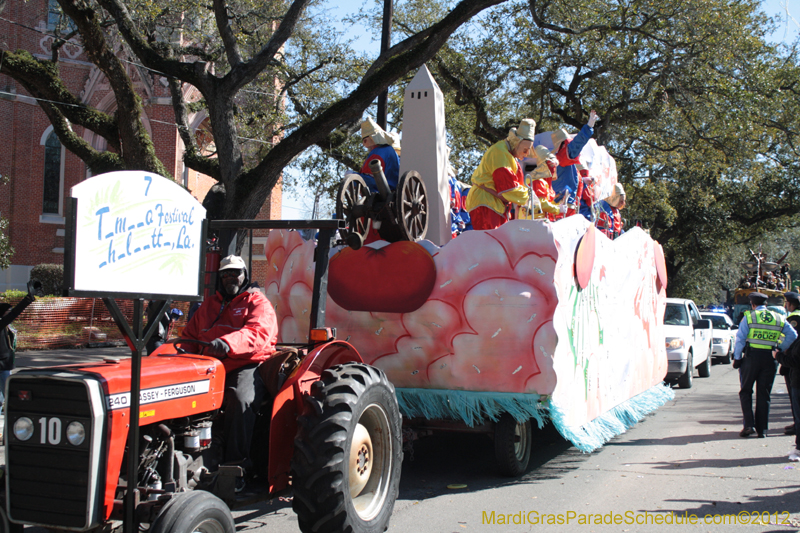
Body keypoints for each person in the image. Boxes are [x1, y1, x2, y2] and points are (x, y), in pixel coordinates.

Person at [181, 255, 279, 488]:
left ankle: (236, 467)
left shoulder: (257, 302)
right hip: (206, 365)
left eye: (235, 273)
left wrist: (227, 344)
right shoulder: (208, 305)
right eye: (225, 274)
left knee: (240, 398)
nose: (230, 277)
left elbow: (257, 334)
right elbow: (188, 337)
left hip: (243, 363)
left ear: (245, 275)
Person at [732, 291, 797, 438]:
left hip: (751, 358)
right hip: (770, 359)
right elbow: (793, 335)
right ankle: (763, 430)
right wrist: (779, 348)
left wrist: (737, 358)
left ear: (753, 304)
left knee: (746, 391)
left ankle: (749, 425)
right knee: (764, 394)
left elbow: (741, 339)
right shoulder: (779, 318)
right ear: (766, 304)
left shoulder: (749, 316)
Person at [465, 119, 534, 230]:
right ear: (516, 143)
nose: (527, 154)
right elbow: (508, 189)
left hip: (492, 204)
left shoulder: (506, 153)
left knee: (495, 243)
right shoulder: (500, 152)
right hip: (486, 204)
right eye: (525, 149)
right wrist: (530, 195)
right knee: (490, 244)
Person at [550, 110, 599, 219]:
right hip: (566, 209)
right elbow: (577, 143)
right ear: (564, 144)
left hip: (557, 207)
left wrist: (584, 180)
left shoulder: (556, 161)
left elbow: (566, 179)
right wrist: (589, 125)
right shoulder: (564, 156)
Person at [0, 280, 40, 409]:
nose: (9, 314)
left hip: (5, 364)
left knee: (6, 394)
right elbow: (14, 313)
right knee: (5, 395)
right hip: (2, 365)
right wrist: (28, 299)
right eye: (7, 312)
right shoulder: (1, 323)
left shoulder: (6, 326)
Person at [350, 117, 401, 194]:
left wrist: (351, 176)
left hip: (380, 187)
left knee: (349, 174)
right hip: (393, 187)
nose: (364, 144)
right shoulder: (389, 150)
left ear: (372, 138)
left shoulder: (377, 152)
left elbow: (370, 176)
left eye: (365, 140)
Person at [523, 146, 566, 221]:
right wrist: (558, 209)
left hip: (533, 220)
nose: (554, 168)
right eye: (551, 165)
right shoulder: (537, 180)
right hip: (534, 222)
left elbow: (545, 201)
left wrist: (558, 203)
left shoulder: (540, 180)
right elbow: (541, 203)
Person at [778, 291, 800, 439]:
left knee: (795, 396)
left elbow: (791, 338)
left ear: (791, 304)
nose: (786, 306)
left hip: (792, 360)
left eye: (786, 303)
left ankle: (796, 424)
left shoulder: (794, 318)